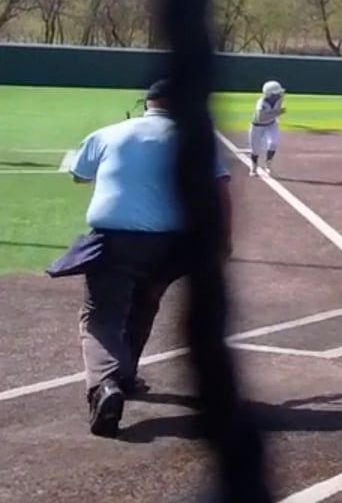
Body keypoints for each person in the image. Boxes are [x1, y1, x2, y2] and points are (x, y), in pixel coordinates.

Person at [54, 79, 233, 437]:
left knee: (100, 317)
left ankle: (104, 386)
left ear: (148, 103)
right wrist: (222, 241)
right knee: (144, 305)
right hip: (171, 247)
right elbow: (219, 192)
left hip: (115, 241)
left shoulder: (109, 133)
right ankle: (125, 375)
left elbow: (79, 176)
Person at [247, 80, 286, 177]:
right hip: (257, 126)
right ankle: (254, 167)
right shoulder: (261, 103)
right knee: (255, 149)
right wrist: (276, 113)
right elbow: (261, 117)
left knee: (274, 142)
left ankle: (268, 165)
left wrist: (275, 114)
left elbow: (275, 111)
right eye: (276, 93)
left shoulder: (280, 98)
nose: (279, 95)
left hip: (271, 124)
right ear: (269, 94)